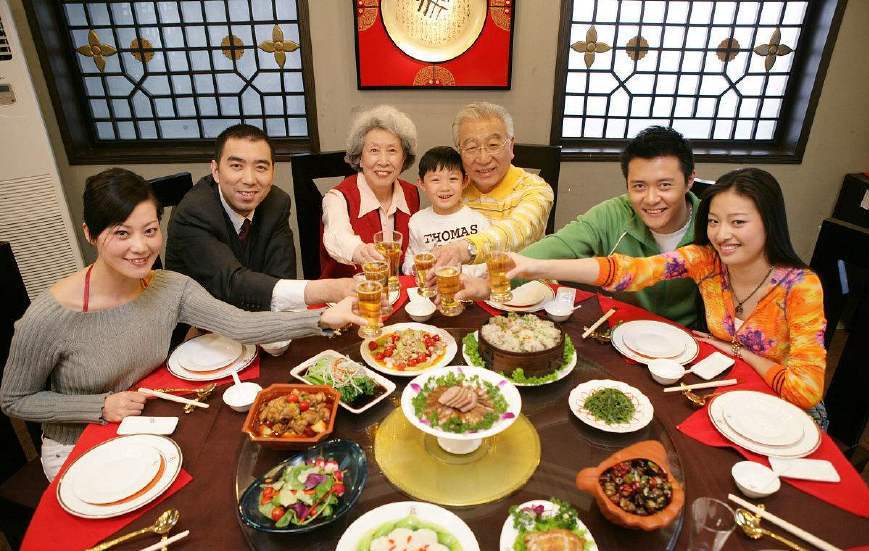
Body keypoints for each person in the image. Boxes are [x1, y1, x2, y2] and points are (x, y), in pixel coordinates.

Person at [0, 168, 365, 480]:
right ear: (90, 234)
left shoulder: (169, 287)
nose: (140, 247)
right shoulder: (50, 316)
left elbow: (240, 325)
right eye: (121, 233)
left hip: (145, 420)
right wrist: (99, 406)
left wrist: (322, 317)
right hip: (78, 442)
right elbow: (15, 399)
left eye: (149, 230)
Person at [459, 169, 827, 423]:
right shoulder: (705, 261)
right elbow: (625, 272)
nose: (723, 234)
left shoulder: (800, 286)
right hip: (724, 392)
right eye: (714, 221)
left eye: (739, 222)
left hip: (784, 414)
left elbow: (806, 390)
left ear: (769, 220)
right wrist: (533, 266)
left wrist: (739, 351)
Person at [521, 126, 702, 327]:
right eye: (639, 186)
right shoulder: (613, 213)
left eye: (665, 185)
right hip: (622, 333)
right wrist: (493, 275)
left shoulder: (714, 226)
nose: (651, 199)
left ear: (689, 180)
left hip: (691, 341)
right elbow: (552, 249)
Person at [166, 124, 354, 313]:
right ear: (215, 171)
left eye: (261, 167)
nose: (249, 179)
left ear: (273, 170)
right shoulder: (194, 212)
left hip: (257, 320)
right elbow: (231, 283)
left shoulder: (276, 203)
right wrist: (326, 289)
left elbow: (281, 276)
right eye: (236, 166)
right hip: (196, 327)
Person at [431, 102, 554, 269]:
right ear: (460, 151)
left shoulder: (536, 189)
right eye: (471, 147)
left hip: (521, 287)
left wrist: (466, 248)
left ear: (510, 146)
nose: (483, 159)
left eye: (493, 145)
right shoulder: (454, 191)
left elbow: (518, 229)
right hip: (462, 289)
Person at [320, 105, 420, 278]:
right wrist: (361, 251)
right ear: (359, 157)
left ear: (403, 158)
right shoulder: (337, 198)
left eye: (392, 151)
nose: (383, 161)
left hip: (397, 295)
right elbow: (337, 237)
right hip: (347, 297)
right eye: (374, 150)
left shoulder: (411, 194)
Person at [401, 146, 489, 277]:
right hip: (431, 289)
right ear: (422, 184)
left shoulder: (478, 221)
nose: (445, 188)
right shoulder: (417, 221)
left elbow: (487, 264)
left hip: (469, 291)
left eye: (453, 179)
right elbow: (409, 260)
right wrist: (415, 268)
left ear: (465, 181)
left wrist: (455, 271)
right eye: (435, 180)